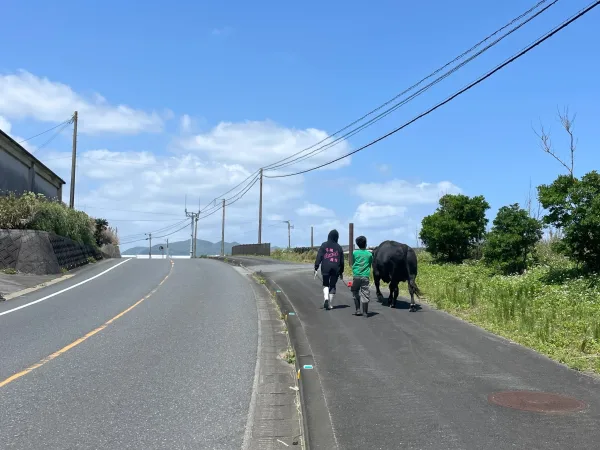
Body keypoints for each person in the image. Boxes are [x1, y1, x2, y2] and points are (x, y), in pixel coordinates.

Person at [314, 229, 344, 310]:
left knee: (325, 284)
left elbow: (319, 257)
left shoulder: (324, 245)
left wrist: (316, 267)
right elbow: (342, 261)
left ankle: (326, 299)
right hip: (336, 268)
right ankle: (330, 304)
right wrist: (341, 272)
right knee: (333, 285)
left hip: (325, 267)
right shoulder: (339, 247)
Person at [351, 235, 372, 317]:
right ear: (366, 244)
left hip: (356, 275)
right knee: (365, 293)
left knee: (355, 291)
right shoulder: (369, 254)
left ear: (357, 244)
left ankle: (358, 310)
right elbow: (370, 264)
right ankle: (365, 312)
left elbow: (353, 262)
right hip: (365, 276)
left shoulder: (354, 253)